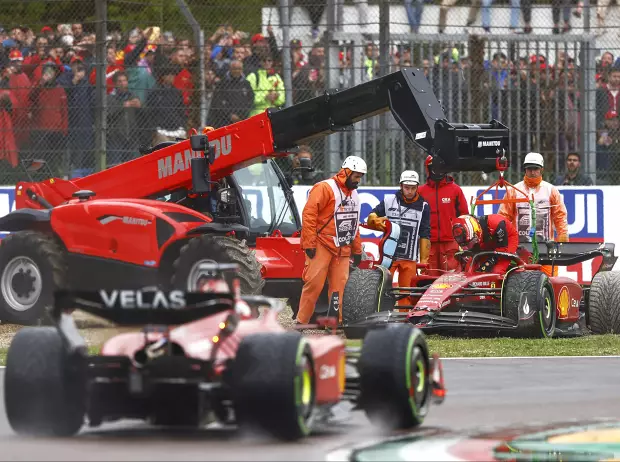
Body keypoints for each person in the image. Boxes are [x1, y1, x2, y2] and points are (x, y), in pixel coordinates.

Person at [297, 156, 366, 325]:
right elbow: (309, 215)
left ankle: (337, 323)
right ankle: (301, 321)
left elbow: (353, 224)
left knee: (340, 287)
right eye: (356, 176)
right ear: (346, 172)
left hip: (342, 248)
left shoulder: (354, 196)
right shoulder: (324, 188)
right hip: (321, 244)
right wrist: (309, 243)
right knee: (313, 284)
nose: (358, 181)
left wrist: (357, 250)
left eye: (360, 177)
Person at [498, 152, 569, 276]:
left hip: (546, 247)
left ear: (541, 169)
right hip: (519, 248)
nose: (532, 172)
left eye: (535, 168)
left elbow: (560, 215)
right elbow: (503, 217)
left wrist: (562, 234)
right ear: (525, 169)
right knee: (519, 280)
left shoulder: (551, 190)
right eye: (529, 168)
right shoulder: (513, 191)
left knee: (549, 281)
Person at [367, 170, 431, 306]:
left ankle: (405, 323)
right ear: (401, 186)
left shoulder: (424, 206)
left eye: (413, 188)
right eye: (407, 187)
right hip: (389, 257)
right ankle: (380, 319)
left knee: (407, 293)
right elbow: (372, 215)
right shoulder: (389, 200)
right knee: (381, 291)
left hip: (410, 258)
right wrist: (374, 220)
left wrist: (424, 259)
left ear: (417, 187)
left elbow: (425, 233)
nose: (410, 191)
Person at [418, 155, 469, 274]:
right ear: (428, 169)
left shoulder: (455, 190)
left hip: (450, 243)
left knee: (452, 281)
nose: (437, 170)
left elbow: (464, 216)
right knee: (428, 280)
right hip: (428, 244)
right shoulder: (420, 192)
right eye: (434, 167)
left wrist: (463, 242)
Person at [451, 214, 518, 274]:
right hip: (487, 240)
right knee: (469, 267)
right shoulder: (471, 236)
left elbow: (502, 249)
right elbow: (474, 251)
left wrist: (490, 262)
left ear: (476, 233)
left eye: (470, 243)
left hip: (507, 240)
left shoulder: (497, 223)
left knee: (496, 271)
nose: (468, 246)